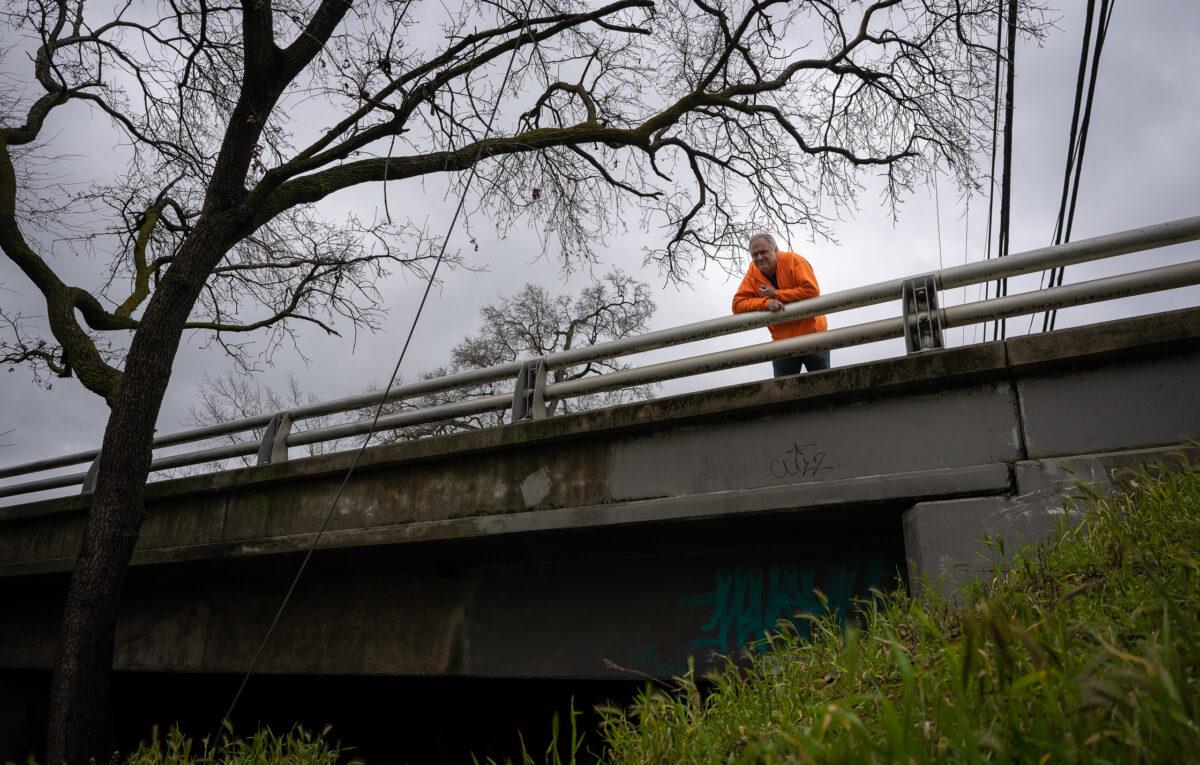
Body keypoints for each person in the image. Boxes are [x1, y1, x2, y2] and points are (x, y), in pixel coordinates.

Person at [731, 233, 830, 378]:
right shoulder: (752, 274)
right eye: (754, 255)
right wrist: (766, 302)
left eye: (763, 252)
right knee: (784, 391)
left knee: (825, 385)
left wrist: (776, 294)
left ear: (775, 250)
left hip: (813, 334)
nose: (759, 258)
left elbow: (811, 290)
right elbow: (737, 304)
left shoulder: (793, 260)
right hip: (782, 341)